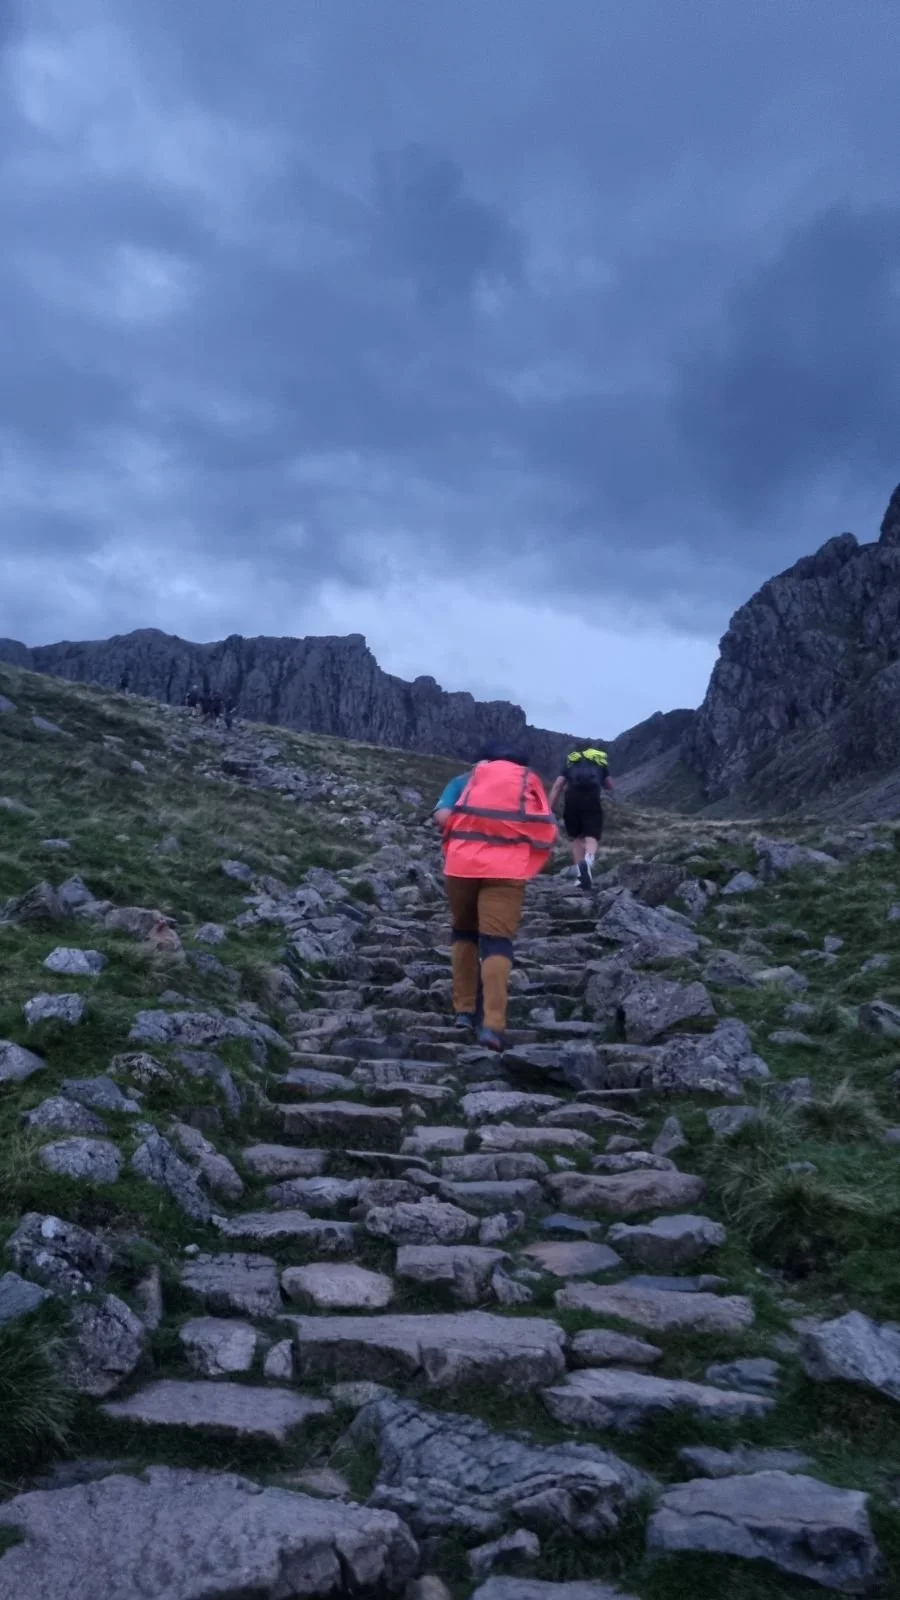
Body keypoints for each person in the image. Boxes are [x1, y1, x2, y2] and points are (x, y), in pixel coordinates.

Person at [437, 742, 556, 1051]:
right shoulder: (528, 782)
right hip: (507, 871)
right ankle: (493, 1026)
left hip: (462, 866)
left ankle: (464, 1011)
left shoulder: (463, 781)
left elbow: (442, 817)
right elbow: (546, 828)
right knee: (497, 942)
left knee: (464, 932)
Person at [548, 741, 614, 891]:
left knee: (576, 838)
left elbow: (558, 785)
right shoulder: (599, 761)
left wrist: (549, 808)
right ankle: (588, 864)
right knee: (592, 836)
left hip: (572, 800)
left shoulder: (571, 761)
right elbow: (610, 785)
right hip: (592, 800)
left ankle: (580, 875)